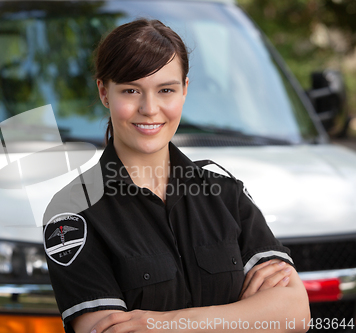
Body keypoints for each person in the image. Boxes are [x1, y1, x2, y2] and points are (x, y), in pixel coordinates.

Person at [43, 18, 310, 333]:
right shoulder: (71, 213)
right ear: (104, 92)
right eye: (131, 90)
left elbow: (294, 312)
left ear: (184, 90)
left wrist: (163, 324)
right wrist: (246, 316)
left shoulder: (226, 194)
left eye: (165, 90)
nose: (150, 108)